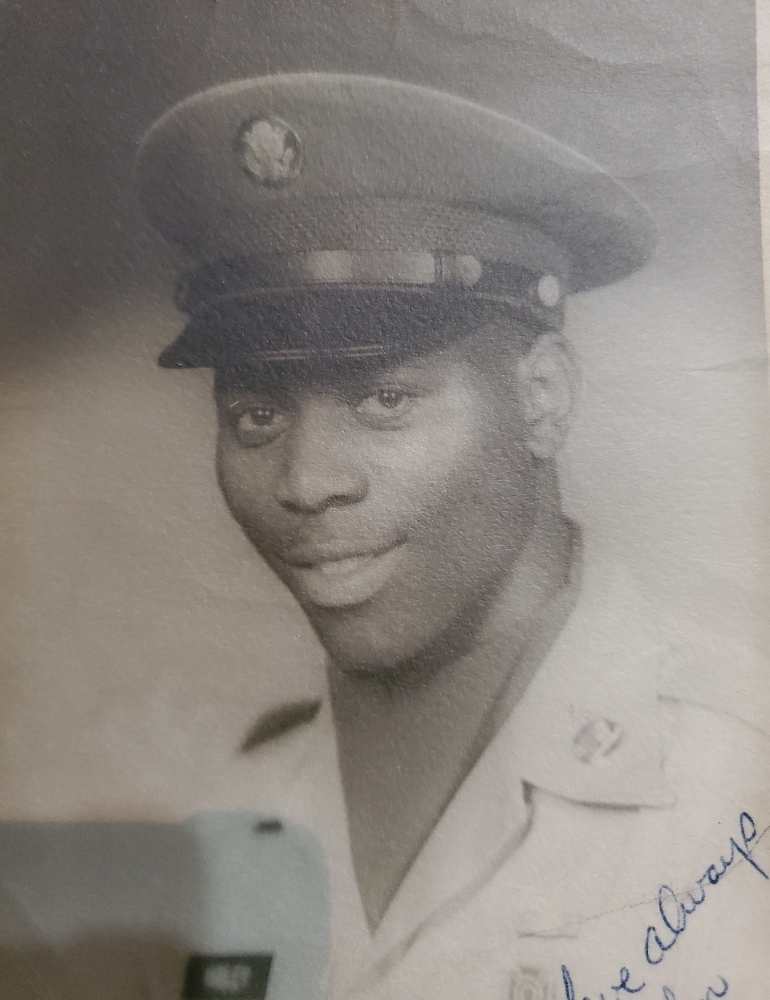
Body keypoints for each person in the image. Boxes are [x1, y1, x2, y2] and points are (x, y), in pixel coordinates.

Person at [136, 74, 770, 1000]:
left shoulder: (736, 779)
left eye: (384, 399)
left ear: (541, 398)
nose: (306, 481)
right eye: (257, 415)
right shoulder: (226, 817)